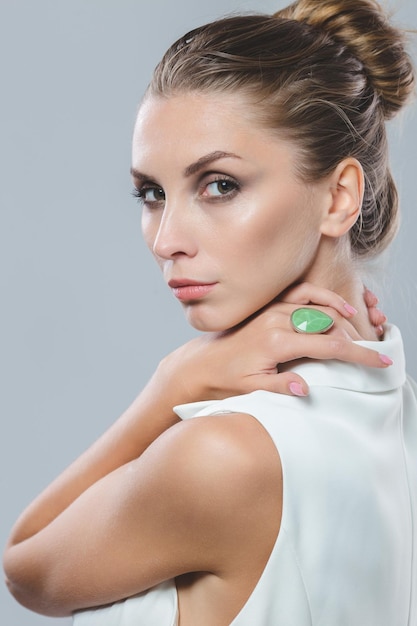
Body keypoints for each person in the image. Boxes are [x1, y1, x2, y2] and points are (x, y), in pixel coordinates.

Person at [3, 0, 416, 624]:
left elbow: (25, 566)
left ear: (340, 196)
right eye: (152, 194)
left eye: (219, 185)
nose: (167, 238)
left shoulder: (226, 454)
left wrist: (173, 382)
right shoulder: (386, 386)